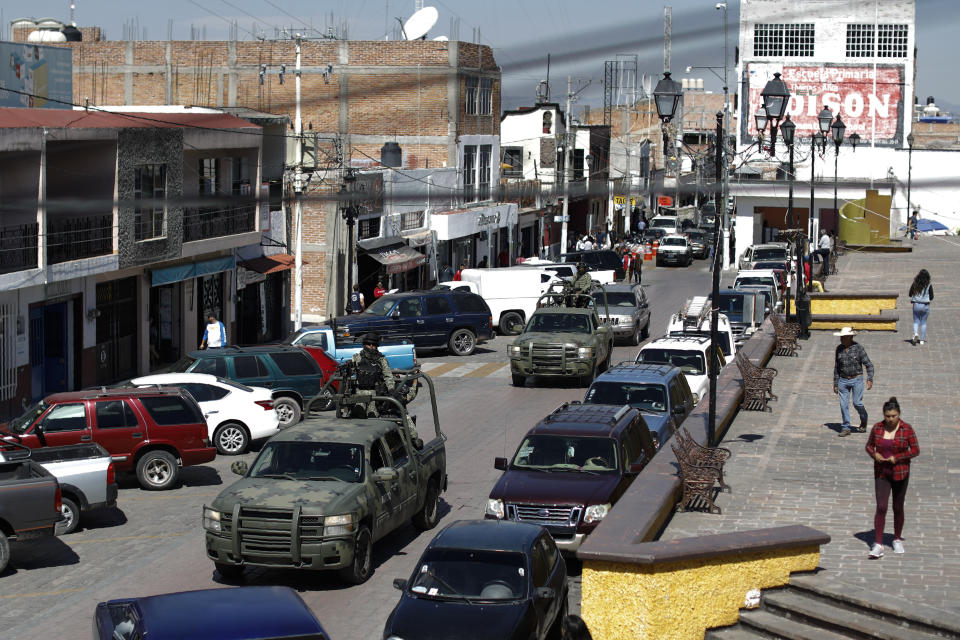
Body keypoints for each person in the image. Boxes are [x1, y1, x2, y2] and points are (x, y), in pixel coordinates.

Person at [864, 397, 919, 559]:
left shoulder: (907, 429)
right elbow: (869, 446)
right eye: (888, 416)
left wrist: (899, 457)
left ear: (899, 414)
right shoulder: (877, 428)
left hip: (900, 472)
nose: (890, 419)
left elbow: (915, 450)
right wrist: (875, 454)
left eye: (893, 416)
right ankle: (879, 543)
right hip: (882, 472)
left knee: (898, 506)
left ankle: (896, 538)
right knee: (881, 506)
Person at [833, 327, 874, 437]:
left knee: (857, 403)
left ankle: (864, 418)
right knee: (843, 405)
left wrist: (869, 379)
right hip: (843, 380)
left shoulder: (858, 348)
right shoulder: (839, 349)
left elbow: (869, 365)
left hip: (857, 379)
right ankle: (846, 427)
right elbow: (837, 367)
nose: (841, 339)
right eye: (841, 337)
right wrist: (835, 383)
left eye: (844, 337)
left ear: (850, 337)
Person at [909, 268, 933, 345]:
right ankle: (922, 340)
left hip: (916, 305)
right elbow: (932, 296)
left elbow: (910, 293)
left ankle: (916, 333)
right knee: (923, 322)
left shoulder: (915, 283)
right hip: (925, 305)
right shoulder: (929, 285)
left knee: (916, 321)